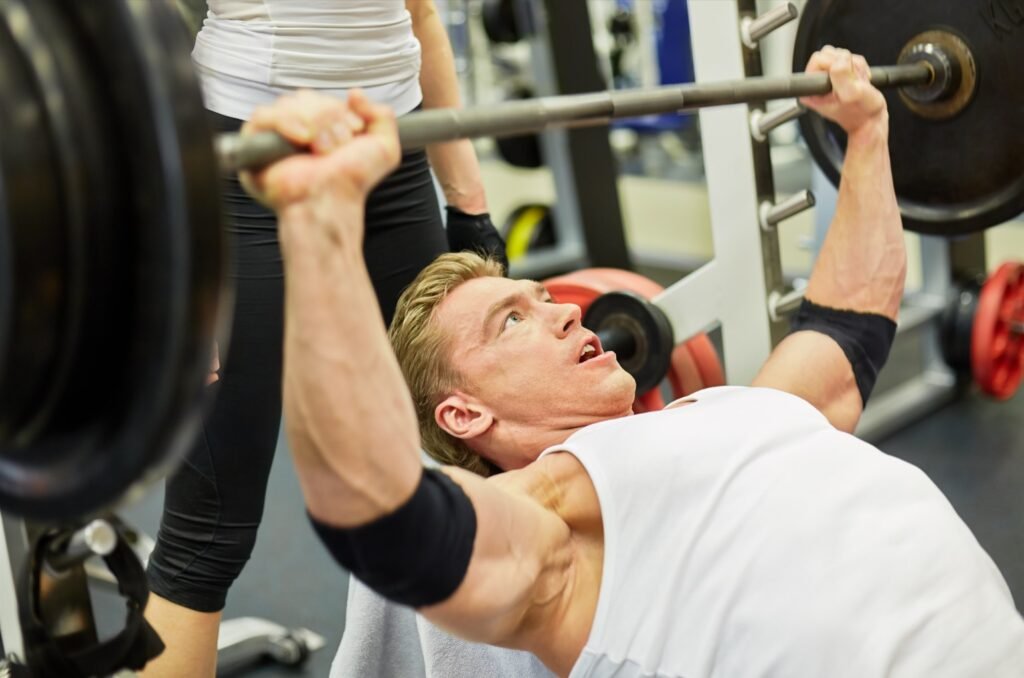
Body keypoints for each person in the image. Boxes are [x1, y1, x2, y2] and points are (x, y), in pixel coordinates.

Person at [246, 48, 1024, 677]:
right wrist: (317, 224)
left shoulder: (735, 411)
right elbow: (385, 515)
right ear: (464, 414)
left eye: (542, 296)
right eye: (511, 319)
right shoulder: (551, 532)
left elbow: (849, 325)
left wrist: (868, 132)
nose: (563, 309)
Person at [142, 2, 506, 676]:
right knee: (210, 526)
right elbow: (143, 38)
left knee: (462, 461)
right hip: (242, 154)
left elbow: (420, 13)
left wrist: (469, 203)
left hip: (394, 155)